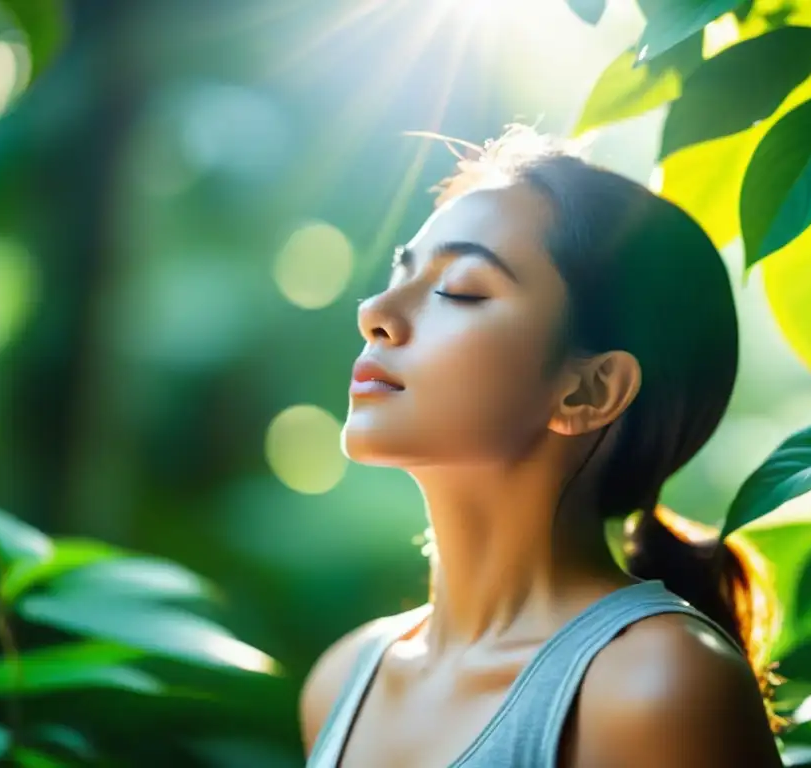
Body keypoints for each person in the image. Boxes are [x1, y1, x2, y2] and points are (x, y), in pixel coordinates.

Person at [300, 125, 785, 767]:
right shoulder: (342, 681)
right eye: (401, 272)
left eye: (462, 289)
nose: (376, 311)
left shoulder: (659, 686)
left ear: (589, 390)